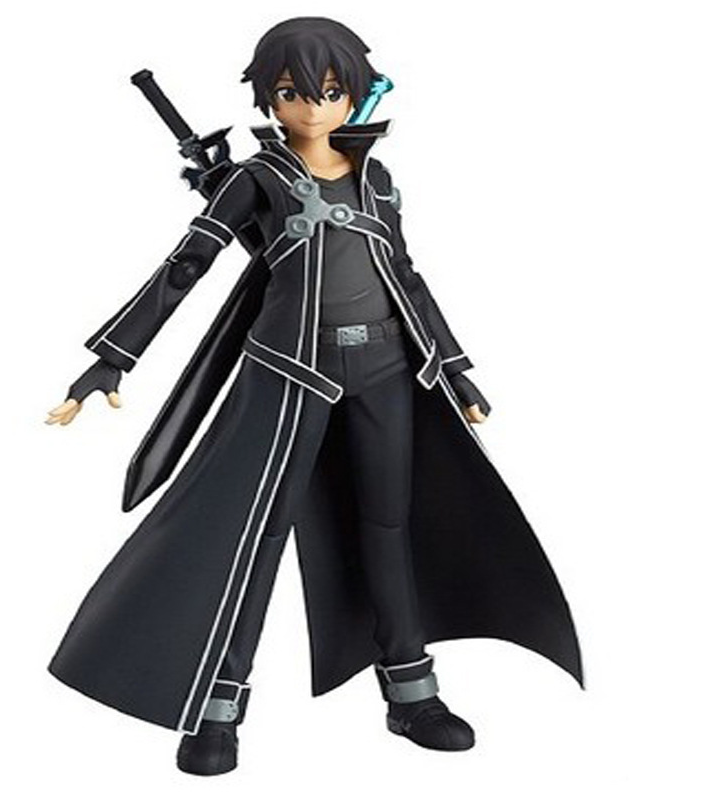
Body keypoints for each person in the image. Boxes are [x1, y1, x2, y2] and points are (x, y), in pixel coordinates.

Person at [46, 16, 582, 777]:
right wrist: (113, 359)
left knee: (389, 526)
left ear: (354, 94)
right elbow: (184, 265)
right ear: (270, 97)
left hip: (389, 370)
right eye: (293, 92)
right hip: (289, 373)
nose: (313, 107)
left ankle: (412, 693)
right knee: (255, 537)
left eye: (330, 91)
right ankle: (217, 706)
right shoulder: (256, 179)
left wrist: (454, 369)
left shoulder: (376, 179)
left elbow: (406, 278)